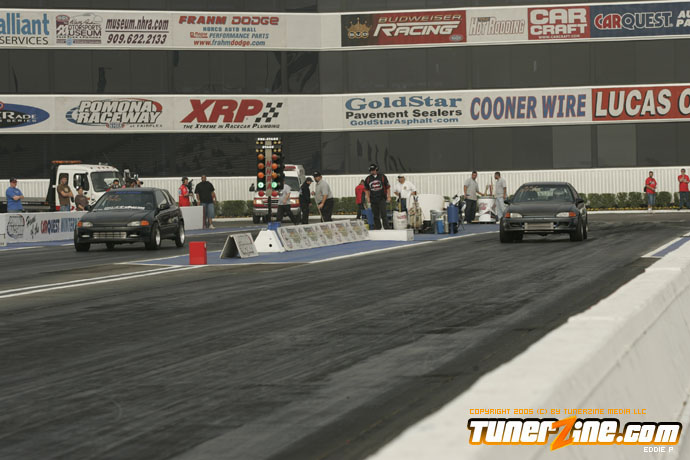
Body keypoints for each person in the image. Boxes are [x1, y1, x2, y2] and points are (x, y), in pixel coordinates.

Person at [364, 163, 391, 230]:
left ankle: (387, 228)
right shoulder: (368, 179)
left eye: (373, 170)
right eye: (371, 170)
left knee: (383, 214)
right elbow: (366, 189)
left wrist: (389, 196)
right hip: (373, 199)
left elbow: (387, 187)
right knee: (375, 215)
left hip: (382, 198)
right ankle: (378, 227)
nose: (372, 171)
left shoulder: (382, 176)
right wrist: (368, 197)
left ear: (376, 169)